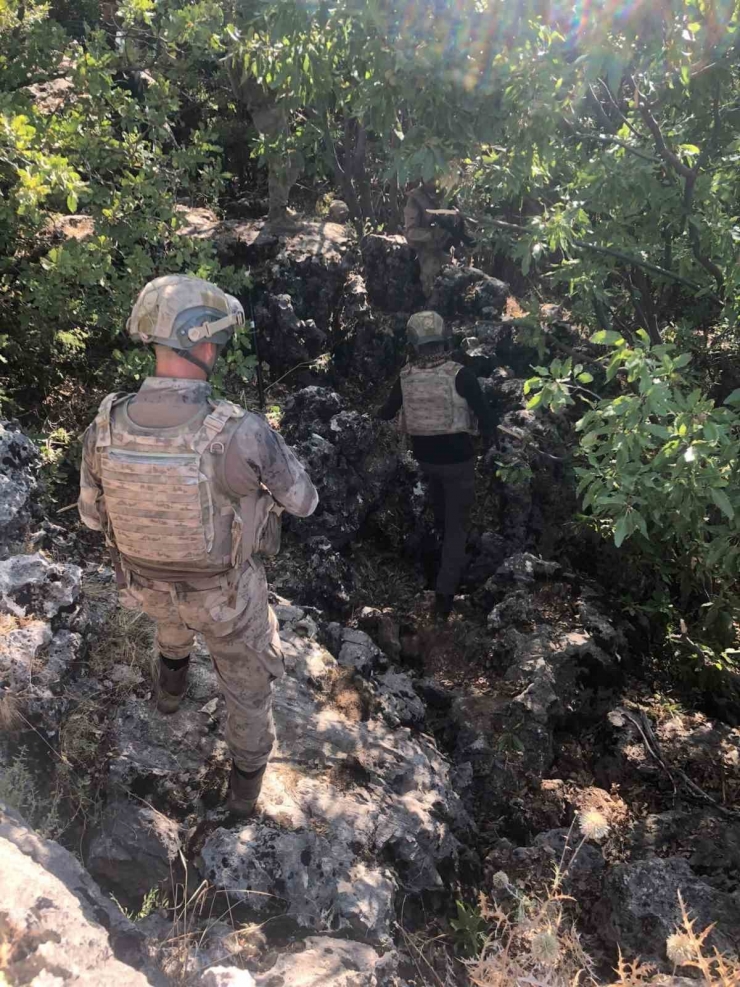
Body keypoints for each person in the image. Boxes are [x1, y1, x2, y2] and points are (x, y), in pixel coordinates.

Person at [78, 275, 318, 816]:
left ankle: (168, 692)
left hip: (147, 590)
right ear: (203, 343)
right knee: (248, 683)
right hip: (226, 600)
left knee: (171, 615)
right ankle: (244, 795)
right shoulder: (242, 431)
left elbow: (92, 519)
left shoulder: (106, 425)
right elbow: (305, 501)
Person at [378, 311, 496, 619]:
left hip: (424, 462)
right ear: (445, 338)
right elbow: (486, 418)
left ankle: (431, 571)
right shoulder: (461, 375)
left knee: (439, 517)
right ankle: (444, 597)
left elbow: (387, 412)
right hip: (459, 464)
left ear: (413, 343)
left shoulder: (405, 376)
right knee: (457, 528)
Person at [404, 178, 455, 298]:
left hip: (447, 249)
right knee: (432, 286)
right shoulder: (416, 199)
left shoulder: (448, 194)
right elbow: (410, 232)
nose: (433, 179)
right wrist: (432, 235)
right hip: (427, 251)